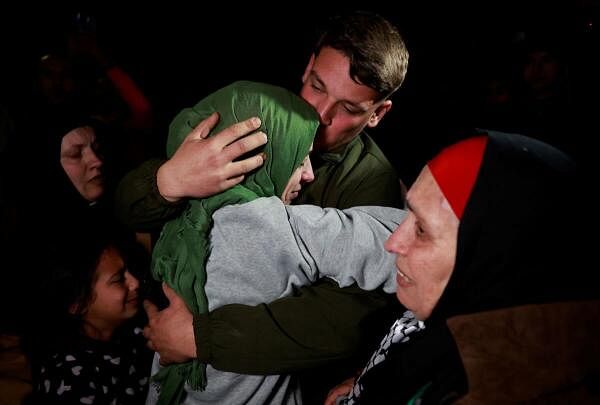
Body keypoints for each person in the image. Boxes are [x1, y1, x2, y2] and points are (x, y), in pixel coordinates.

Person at [119, 11, 409, 401]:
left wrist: (198, 337)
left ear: (378, 113)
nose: (320, 115)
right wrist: (168, 183)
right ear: (307, 67)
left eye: (349, 109)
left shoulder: (372, 182)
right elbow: (126, 210)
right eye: (317, 86)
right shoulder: (256, 114)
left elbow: (346, 322)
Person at [324, 130, 592, 404]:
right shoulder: (449, 330)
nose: (393, 242)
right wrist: (374, 381)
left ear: (492, 256)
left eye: (421, 230)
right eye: (408, 213)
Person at [27, 219, 153, 404]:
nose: (134, 282)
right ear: (78, 304)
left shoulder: (135, 330)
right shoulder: (71, 382)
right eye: (119, 279)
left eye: (128, 272)